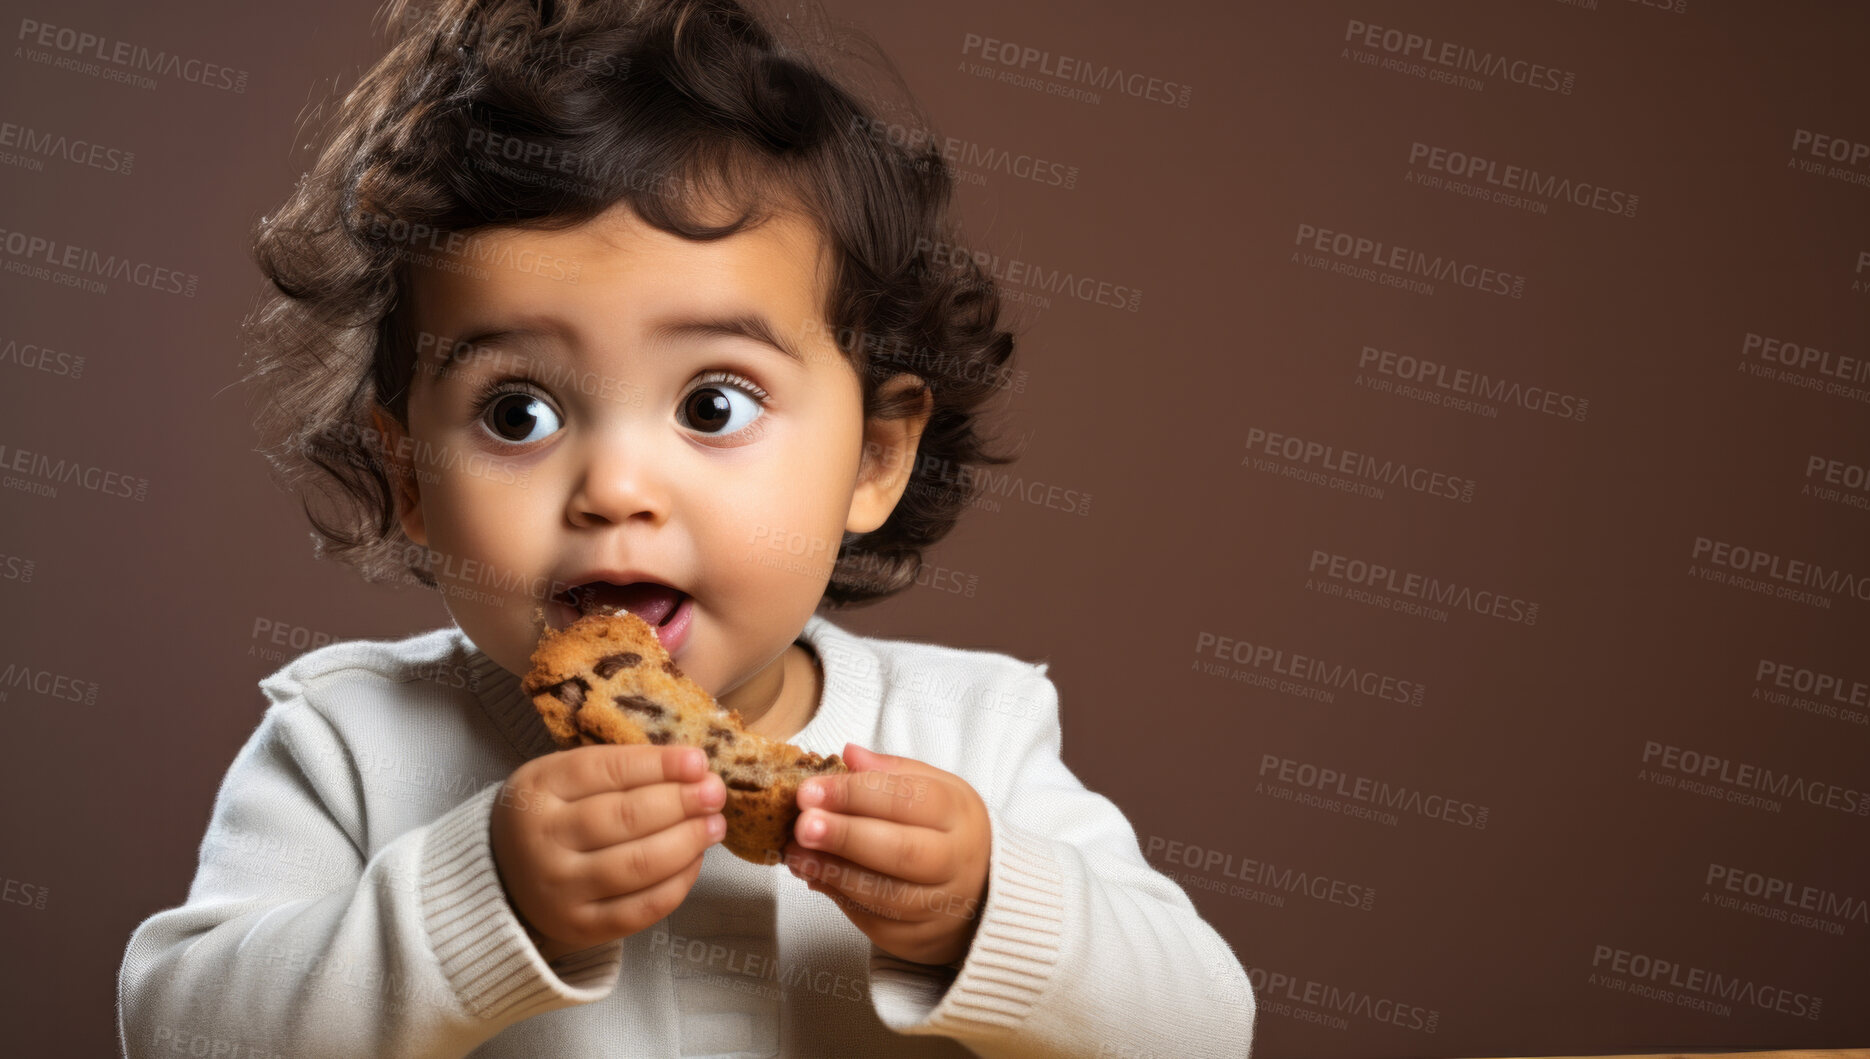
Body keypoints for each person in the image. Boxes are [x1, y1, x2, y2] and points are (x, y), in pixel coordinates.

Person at [116, 0, 1257, 1054]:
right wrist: (480, 896)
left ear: (872, 458)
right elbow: (182, 1032)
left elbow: (1202, 1027)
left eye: (713, 404)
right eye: (519, 412)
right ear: (410, 476)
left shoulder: (974, 735)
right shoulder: (349, 745)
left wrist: (981, 911)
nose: (614, 487)